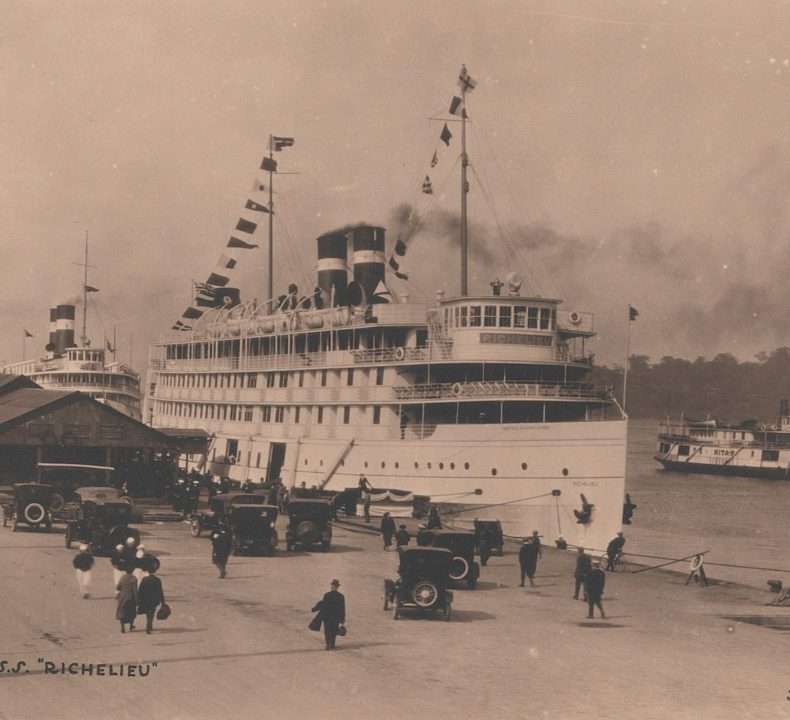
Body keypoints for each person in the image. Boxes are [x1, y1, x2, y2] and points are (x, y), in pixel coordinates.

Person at [311, 579, 346, 650]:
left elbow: (323, 604)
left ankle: (328, 645)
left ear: (334, 587)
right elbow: (342, 608)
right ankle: (332, 644)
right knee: (334, 630)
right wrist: (342, 619)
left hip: (327, 616)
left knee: (327, 631)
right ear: (337, 587)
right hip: (335, 617)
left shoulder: (327, 595)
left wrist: (315, 608)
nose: (333, 587)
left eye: (333, 586)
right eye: (333, 585)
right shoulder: (341, 596)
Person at [137, 564, 166, 634]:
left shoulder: (145, 579)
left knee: (148, 612)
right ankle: (149, 625)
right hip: (154, 600)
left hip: (146, 599)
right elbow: (160, 591)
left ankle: (149, 625)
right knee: (152, 612)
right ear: (155, 571)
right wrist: (163, 602)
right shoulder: (157, 580)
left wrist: (139, 599)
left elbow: (140, 590)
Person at [116, 566, 138, 633]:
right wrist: (137, 600)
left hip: (122, 597)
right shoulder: (134, 578)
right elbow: (135, 590)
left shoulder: (123, 577)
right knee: (131, 612)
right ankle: (131, 625)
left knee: (122, 612)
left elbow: (118, 587)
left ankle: (122, 628)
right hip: (131, 597)